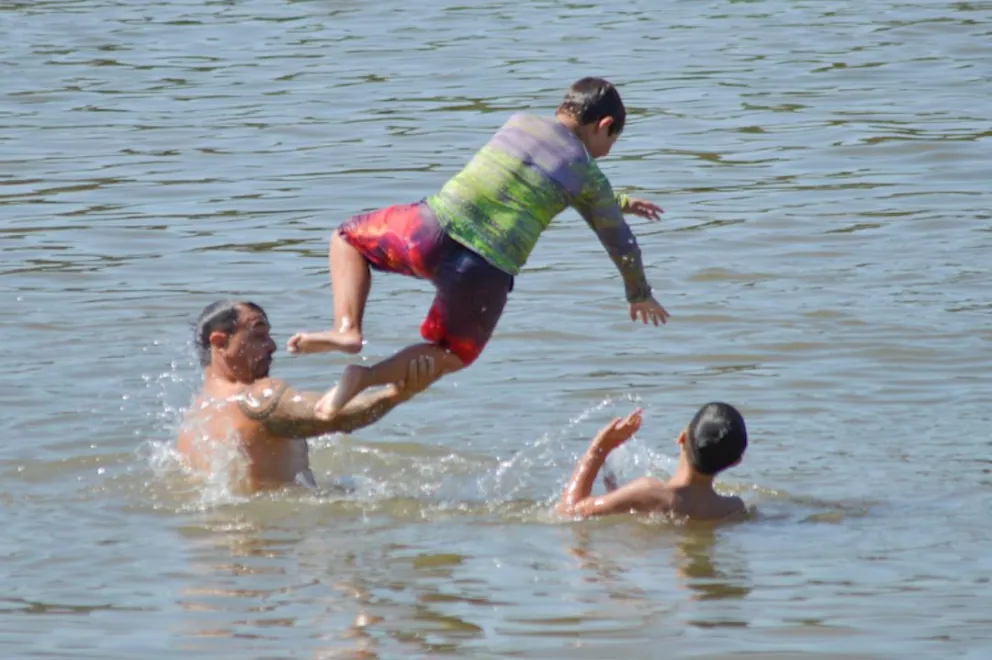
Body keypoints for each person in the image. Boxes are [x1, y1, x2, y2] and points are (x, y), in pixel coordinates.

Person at [288, 77, 671, 417]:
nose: (607, 151)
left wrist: (618, 201)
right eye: (612, 140)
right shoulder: (588, 175)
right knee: (454, 352)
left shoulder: (518, 122)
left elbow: (532, 174)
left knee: (347, 238)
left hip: (428, 232)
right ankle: (364, 377)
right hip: (483, 272)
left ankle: (347, 329)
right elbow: (620, 242)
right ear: (604, 125)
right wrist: (639, 293)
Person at [176, 300, 437, 493]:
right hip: (276, 542)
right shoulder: (257, 398)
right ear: (220, 342)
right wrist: (396, 394)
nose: (272, 346)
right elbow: (331, 415)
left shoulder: (195, 416)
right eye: (258, 335)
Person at [557, 403, 749, 521]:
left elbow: (568, 512)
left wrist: (599, 448)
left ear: (682, 437)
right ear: (736, 461)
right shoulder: (732, 509)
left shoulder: (648, 492)